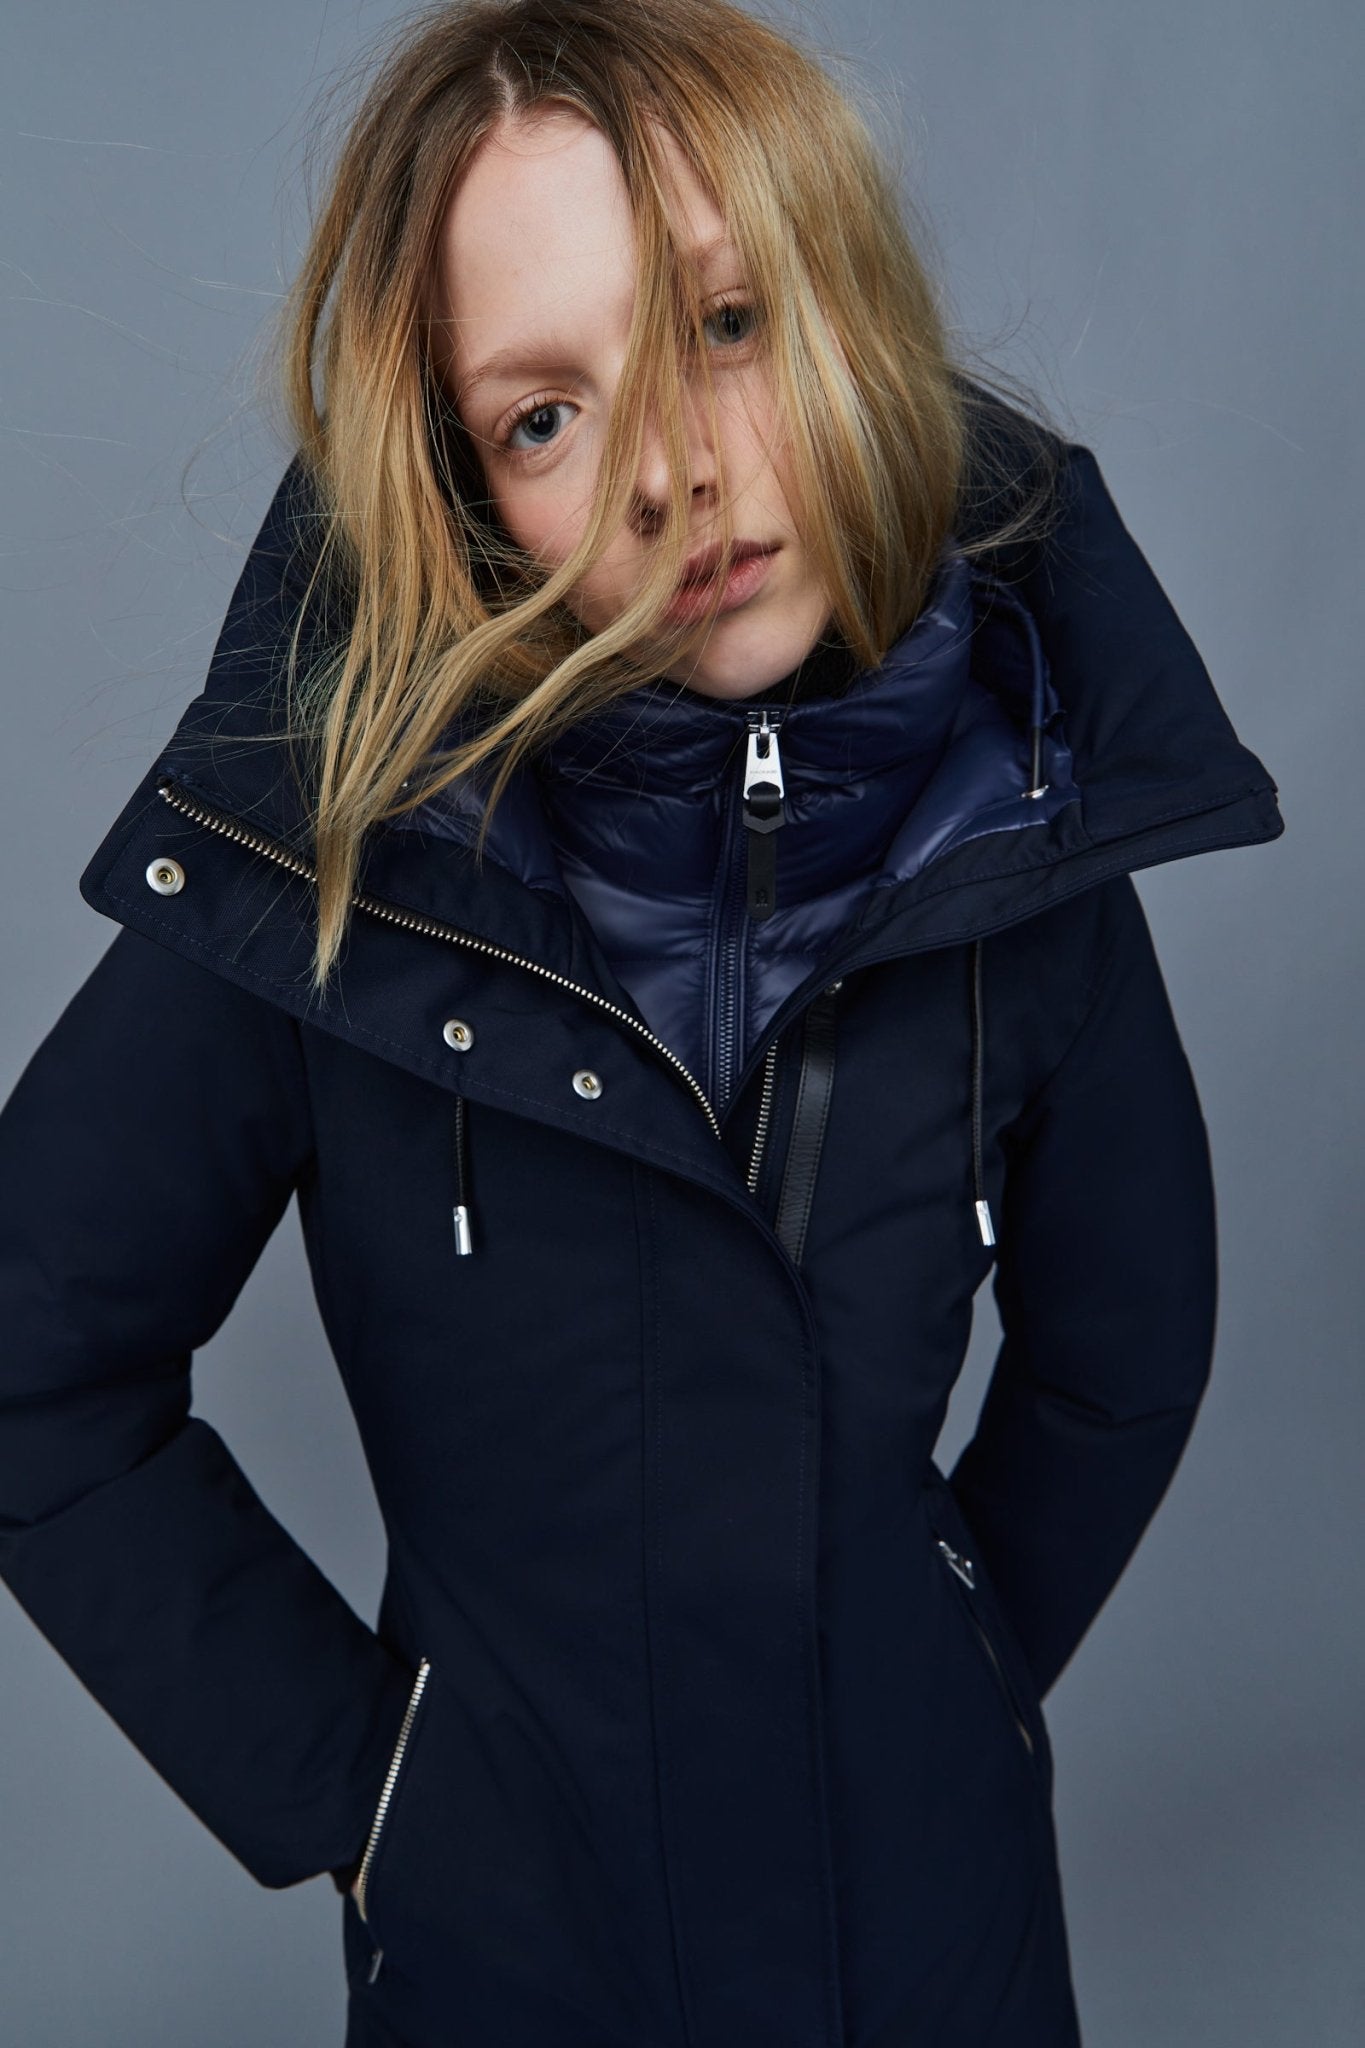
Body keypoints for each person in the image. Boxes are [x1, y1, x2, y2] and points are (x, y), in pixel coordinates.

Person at [0, 3, 1284, 2044]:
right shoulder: (333, 887)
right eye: (543, 416)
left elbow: (1121, 1356)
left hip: (938, 1956)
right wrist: (368, 1796)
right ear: (458, 489)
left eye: (724, 322)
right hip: (517, 1974)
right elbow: (32, 1360)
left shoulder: (1010, 833)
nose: (674, 468)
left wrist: (937, 1684)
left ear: (843, 307)